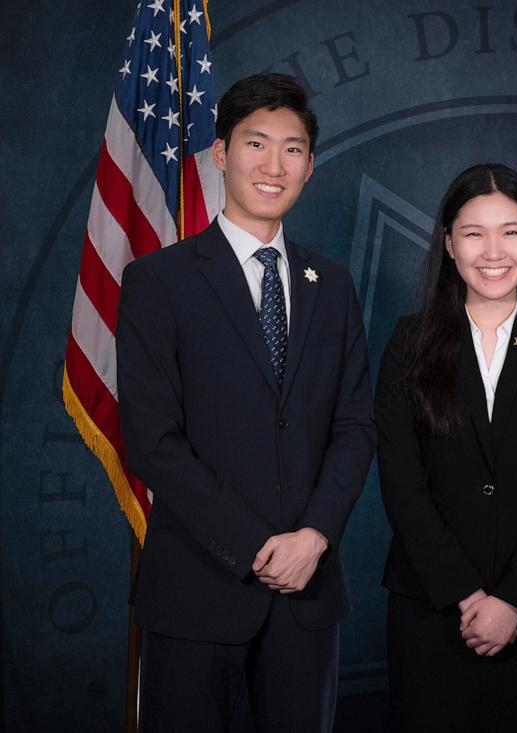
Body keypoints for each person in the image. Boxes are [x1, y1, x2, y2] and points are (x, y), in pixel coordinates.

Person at [116, 73, 375, 732]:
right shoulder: (159, 281)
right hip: (196, 588)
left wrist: (312, 537)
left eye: (291, 149)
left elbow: (354, 425)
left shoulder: (333, 284)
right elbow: (153, 440)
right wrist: (261, 545)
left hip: (308, 592)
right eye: (255, 143)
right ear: (221, 154)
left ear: (310, 167)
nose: (273, 164)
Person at [374, 163, 517, 732]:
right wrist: (465, 593)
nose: (493, 250)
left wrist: (512, 599)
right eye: (474, 232)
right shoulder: (410, 339)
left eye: (512, 231)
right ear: (449, 243)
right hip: (430, 604)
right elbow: (401, 479)